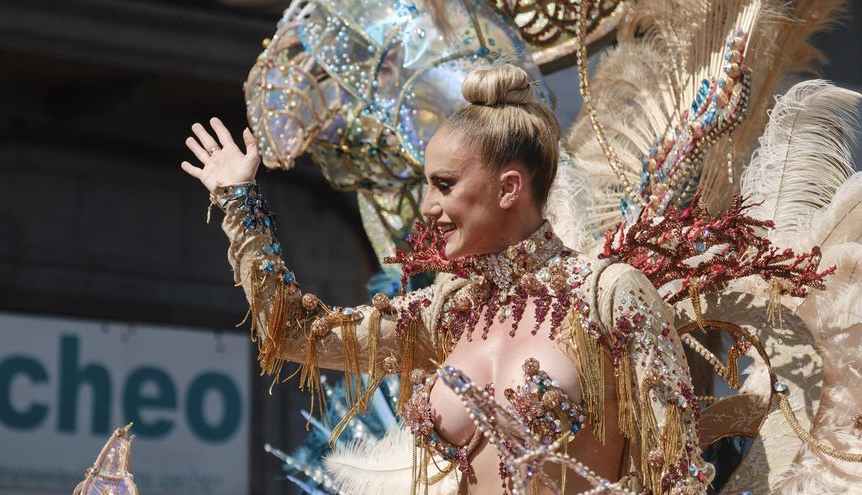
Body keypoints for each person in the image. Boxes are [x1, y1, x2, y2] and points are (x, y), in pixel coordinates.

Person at [181, 64, 711, 494]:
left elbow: (678, 474)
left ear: (509, 187)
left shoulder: (609, 295)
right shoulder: (448, 310)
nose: (428, 206)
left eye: (444, 185)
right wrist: (240, 202)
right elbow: (297, 335)